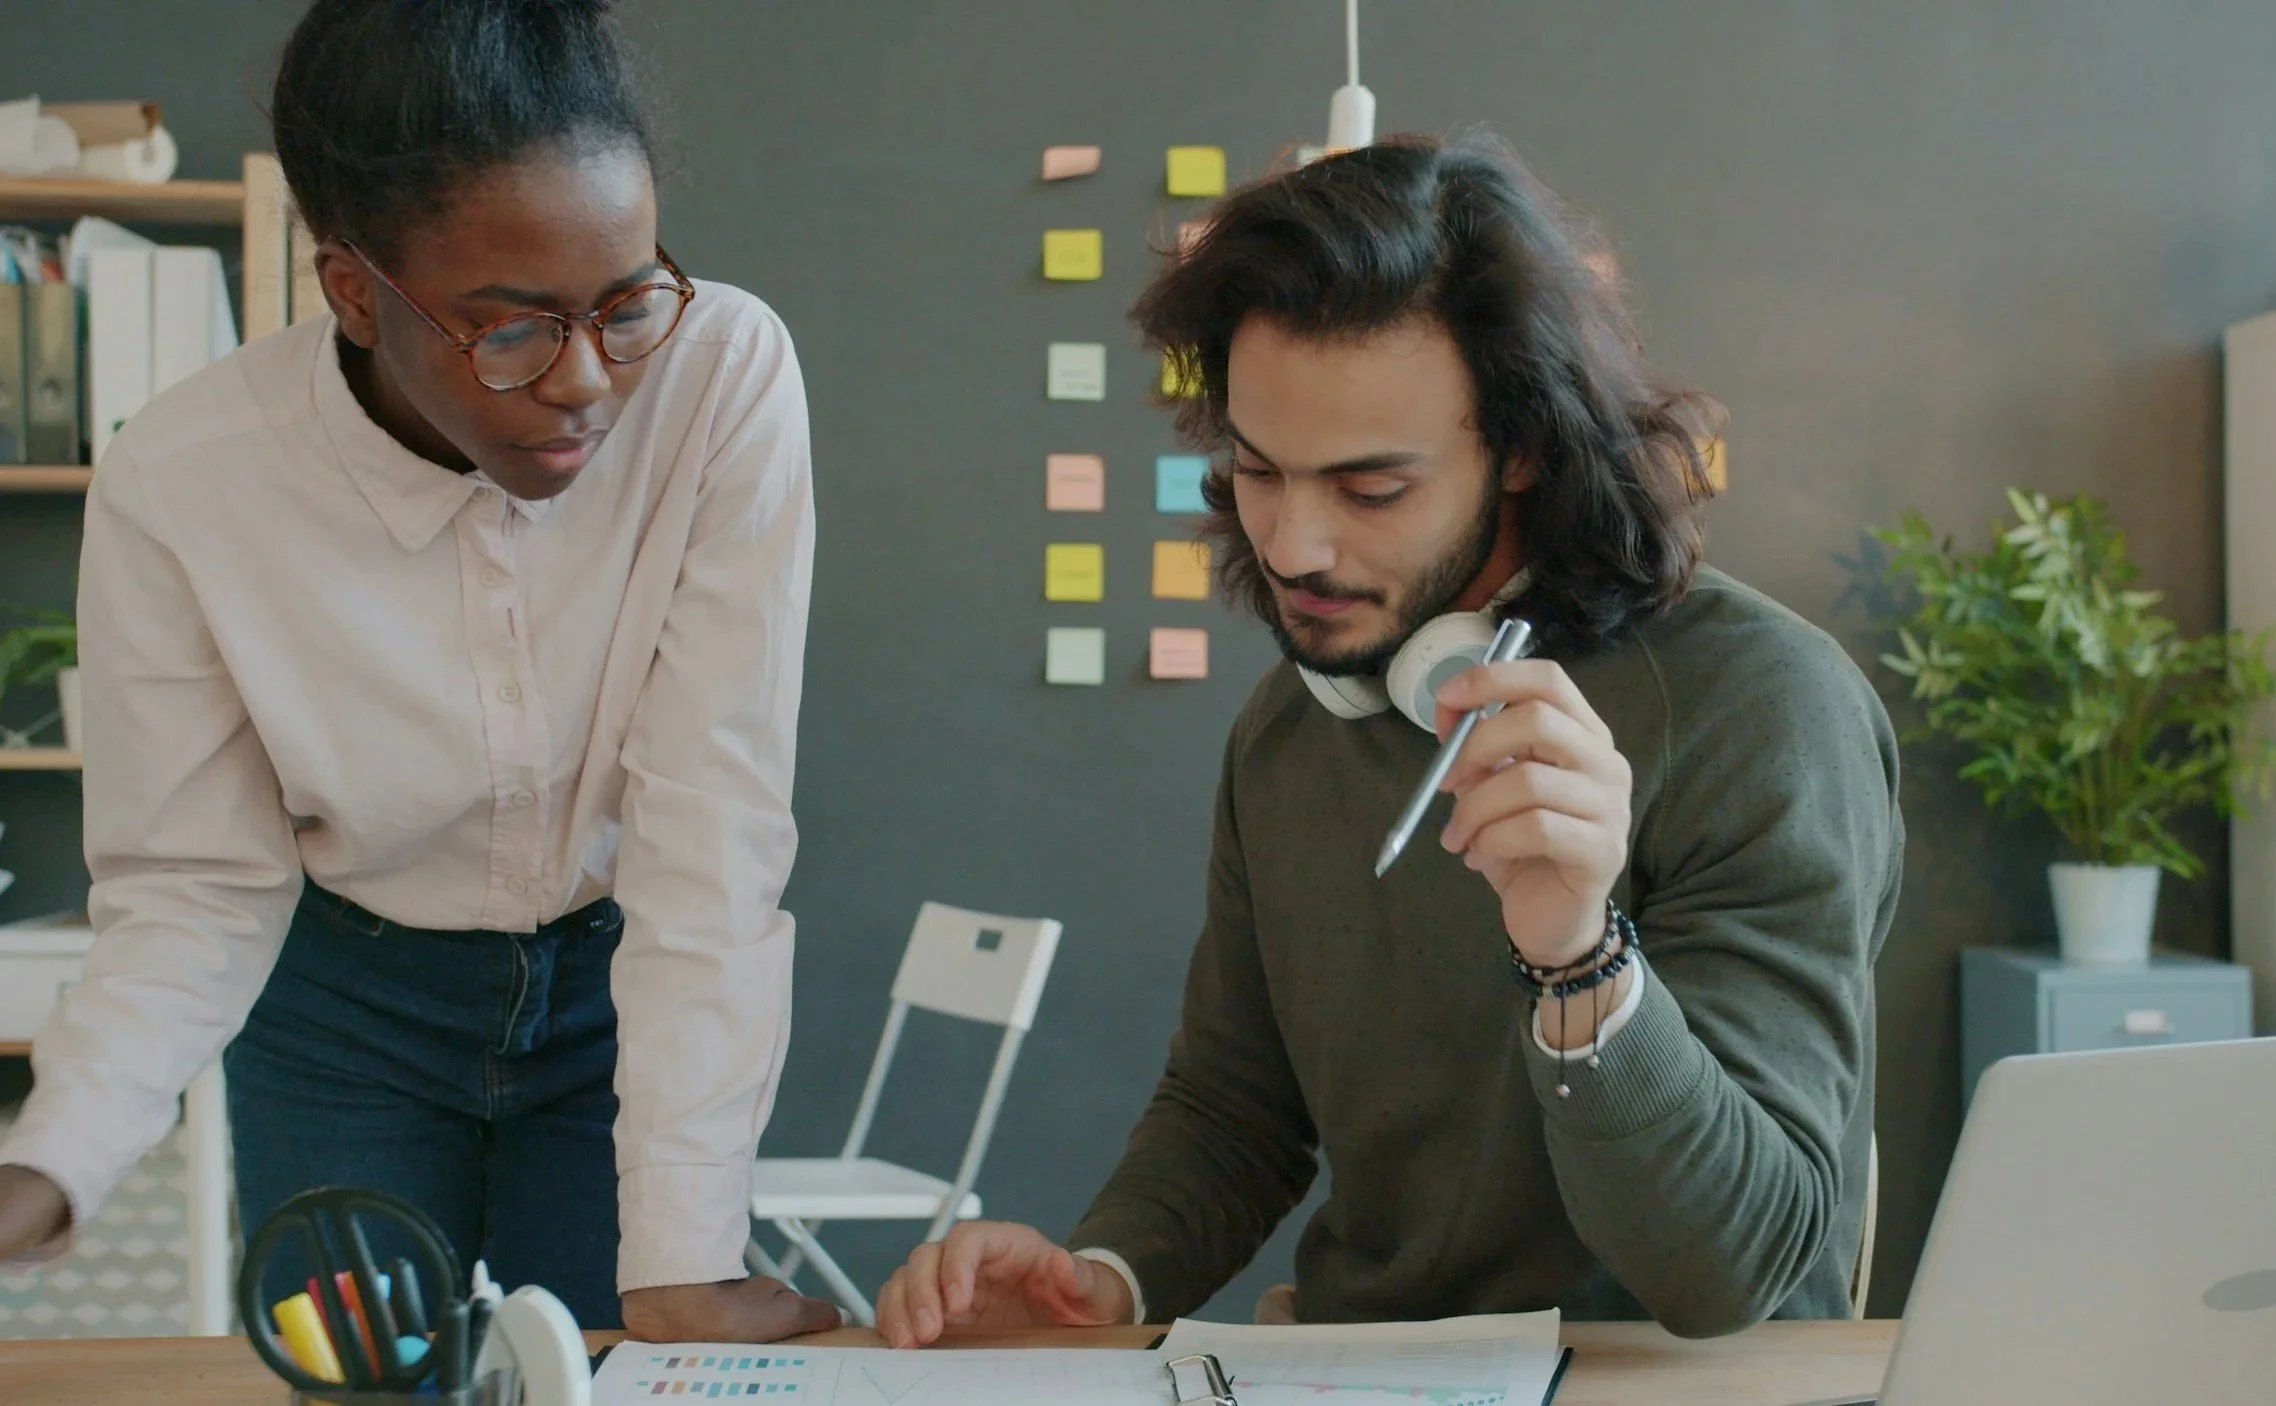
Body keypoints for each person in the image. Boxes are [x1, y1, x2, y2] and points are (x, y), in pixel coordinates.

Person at [873, 132, 1902, 1342]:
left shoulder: (1763, 708)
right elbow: (1232, 1103)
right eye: (1260, 470)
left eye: (1370, 490)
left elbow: (1729, 1274)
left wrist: (1578, 954)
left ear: (1522, 447)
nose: (1295, 545)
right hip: (1363, 1369)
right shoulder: (1294, 726)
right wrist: (1103, 1274)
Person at [0, 0, 835, 1341]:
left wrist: (682, 1245)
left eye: (623, 302)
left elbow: (711, 823)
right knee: (358, 1377)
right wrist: (49, 1163)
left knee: (616, 1369)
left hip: (621, 989)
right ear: (351, 289)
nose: (586, 381)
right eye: (508, 328)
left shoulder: (717, 375)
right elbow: (196, 886)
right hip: (341, 1012)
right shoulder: (186, 479)